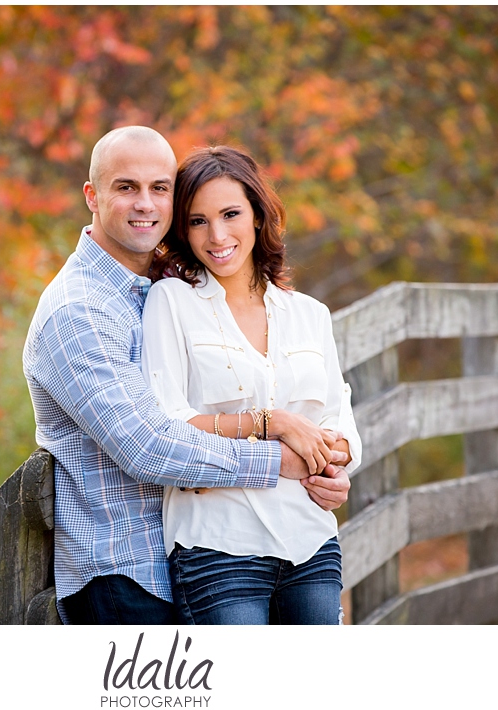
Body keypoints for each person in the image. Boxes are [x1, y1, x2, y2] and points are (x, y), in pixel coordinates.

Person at [23, 126, 352, 624]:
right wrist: (284, 457)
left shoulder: (155, 286)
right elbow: (148, 449)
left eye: (160, 188)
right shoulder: (80, 311)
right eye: (125, 187)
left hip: (181, 562)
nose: (145, 204)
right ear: (92, 196)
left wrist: (332, 465)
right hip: (123, 576)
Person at [141, 145, 362, 624]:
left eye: (230, 214)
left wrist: (337, 465)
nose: (217, 235)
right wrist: (273, 423)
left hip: (310, 539)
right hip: (219, 547)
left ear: (259, 217)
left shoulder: (309, 314)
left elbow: (339, 422)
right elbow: (168, 423)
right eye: (198, 221)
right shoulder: (171, 303)